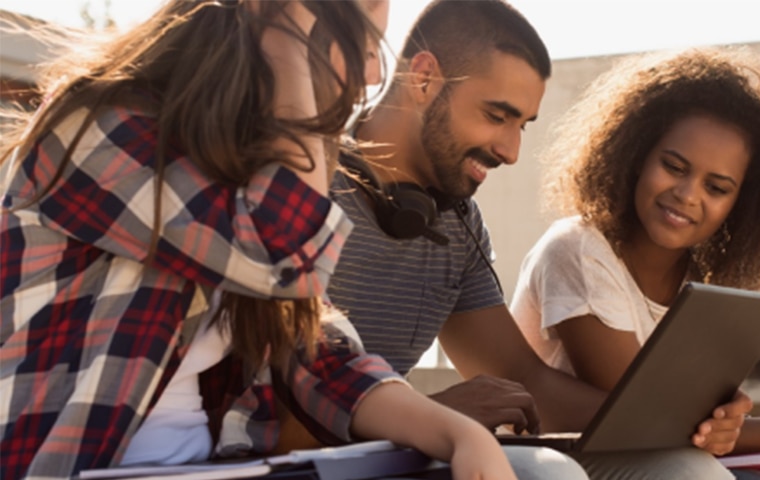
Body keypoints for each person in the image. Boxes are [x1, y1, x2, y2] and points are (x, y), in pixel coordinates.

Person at [0, 2, 519, 479]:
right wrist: (287, 49)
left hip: (208, 468)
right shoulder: (94, 127)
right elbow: (283, 255)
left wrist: (458, 434)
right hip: (72, 468)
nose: (375, 76)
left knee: (536, 469)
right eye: (361, 48)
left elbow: (320, 355)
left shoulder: (247, 176)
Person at [325, 1, 746, 478]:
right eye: (496, 114)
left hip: (397, 453)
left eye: (521, 125)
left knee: (686, 470)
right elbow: (270, 396)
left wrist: (691, 423)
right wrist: (434, 412)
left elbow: (525, 380)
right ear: (423, 79)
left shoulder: (457, 224)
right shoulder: (305, 187)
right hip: (310, 456)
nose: (510, 150)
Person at [510, 47, 760, 480]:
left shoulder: (701, 287)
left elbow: (692, 424)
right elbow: (644, 421)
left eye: (717, 187)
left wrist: (728, 419)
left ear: (741, 205)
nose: (688, 194)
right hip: (558, 459)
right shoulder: (578, 248)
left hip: (648, 455)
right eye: (673, 166)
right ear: (634, 155)